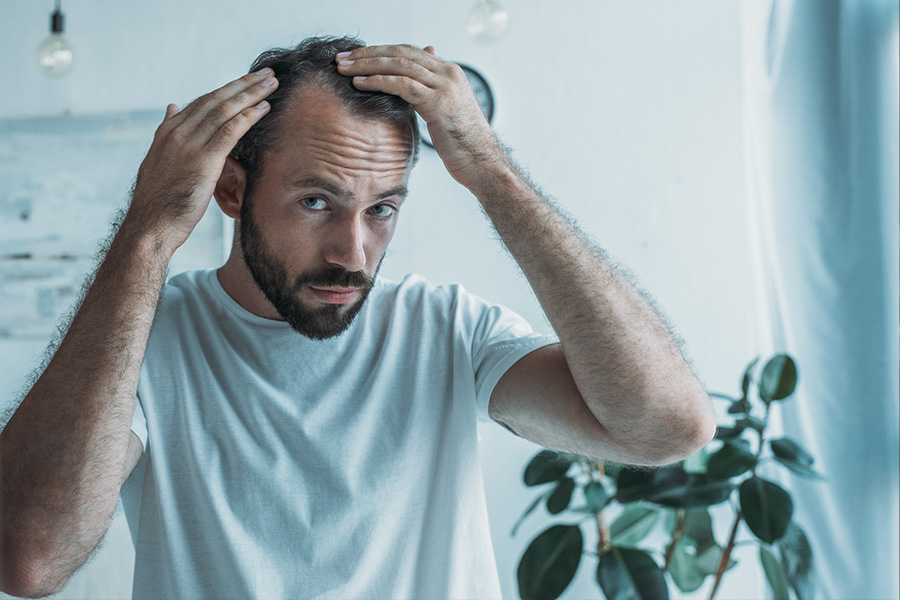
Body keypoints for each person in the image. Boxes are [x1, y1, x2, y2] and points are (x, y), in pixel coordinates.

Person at [0, 36, 715, 599]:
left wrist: (490, 171)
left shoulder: (446, 329)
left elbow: (667, 428)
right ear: (230, 191)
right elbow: (27, 560)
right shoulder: (144, 340)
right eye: (316, 202)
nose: (354, 253)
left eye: (381, 209)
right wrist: (147, 232)